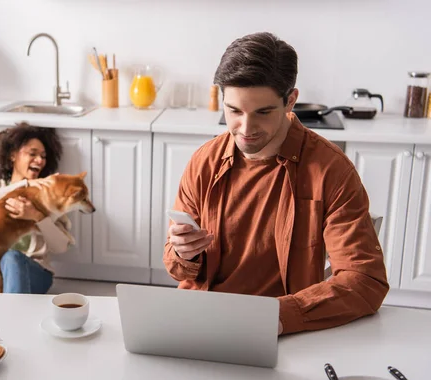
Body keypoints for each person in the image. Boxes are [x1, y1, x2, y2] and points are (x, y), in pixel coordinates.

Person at [163, 32, 389, 335]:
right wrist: (183, 253)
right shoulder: (204, 161)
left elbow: (365, 281)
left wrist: (277, 316)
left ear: (290, 101)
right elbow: (177, 270)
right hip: (200, 319)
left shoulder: (331, 171)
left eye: (263, 112)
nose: (245, 129)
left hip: (278, 329)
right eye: (234, 111)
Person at [0, 122, 73, 294]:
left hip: (35, 272)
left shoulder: (46, 194)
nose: (40, 160)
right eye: (32, 154)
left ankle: (14, 317)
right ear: (13, 156)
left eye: (43, 156)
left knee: (12, 257)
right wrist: (23, 184)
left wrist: (37, 216)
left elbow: (61, 246)